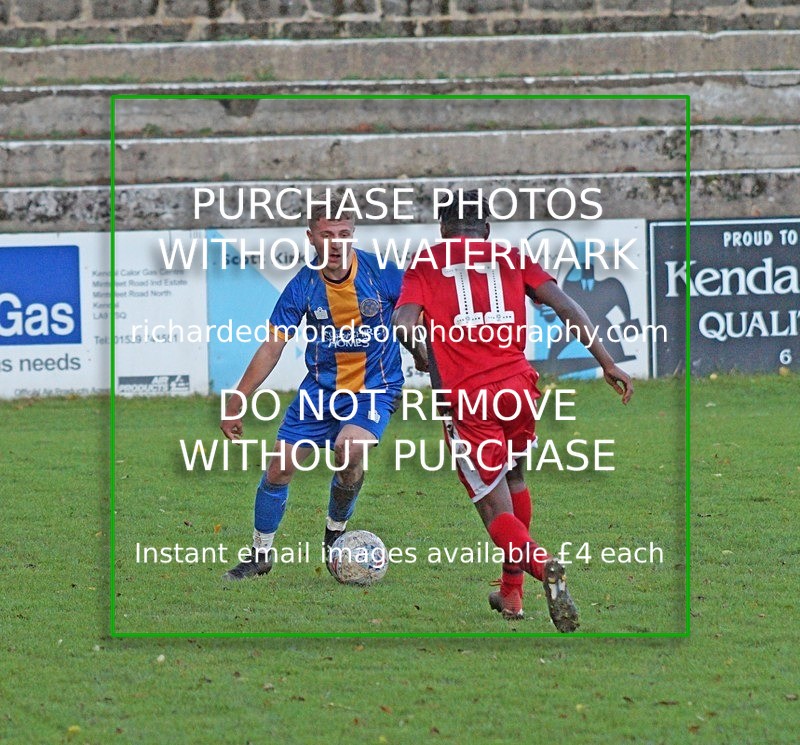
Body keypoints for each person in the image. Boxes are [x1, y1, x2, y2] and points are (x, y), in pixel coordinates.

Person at [392, 189, 633, 632]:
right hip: (519, 389)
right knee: (515, 476)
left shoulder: (426, 262)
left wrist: (421, 352)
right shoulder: (511, 255)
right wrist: (606, 361)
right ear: (485, 228)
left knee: (493, 505)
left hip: (468, 399)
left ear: (443, 228)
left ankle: (543, 566)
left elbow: (403, 323)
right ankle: (511, 593)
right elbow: (566, 306)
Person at [221, 189, 421, 580]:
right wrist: (238, 398)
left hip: (374, 387)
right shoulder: (303, 286)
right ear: (311, 237)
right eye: (327, 235)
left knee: (349, 451)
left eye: (344, 234)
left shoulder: (381, 273)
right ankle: (260, 554)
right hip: (320, 391)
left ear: (353, 234)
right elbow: (273, 345)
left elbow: (415, 311)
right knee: (279, 468)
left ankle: (335, 533)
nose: (336, 243)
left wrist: (420, 349)